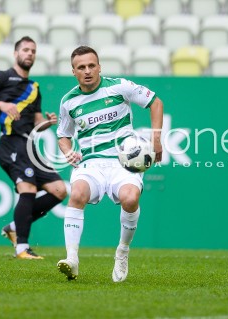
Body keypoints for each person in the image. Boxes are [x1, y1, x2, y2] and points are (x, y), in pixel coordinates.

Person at [56, 45, 163, 282]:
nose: (87, 71)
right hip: (90, 162)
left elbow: (155, 102)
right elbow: (63, 134)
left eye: (91, 65)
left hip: (123, 161)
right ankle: (72, 259)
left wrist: (156, 139)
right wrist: (68, 151)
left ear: (99, 67)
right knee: (77, 193)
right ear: (73, 71)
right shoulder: (69, 102)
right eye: (81, 67)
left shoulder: (119, 86)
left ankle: (122, 251)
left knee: (130, 198)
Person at [0, 36, 67, 260]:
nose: (30, 54)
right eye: (25, 50)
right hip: (10, 142)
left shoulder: (34, 88)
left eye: (33, 50)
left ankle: (14, 227)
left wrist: (48, 123)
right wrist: (1, 104)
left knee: (59, 190)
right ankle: (21, 247)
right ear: (16, 54)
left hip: (29, 145)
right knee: (28, 190)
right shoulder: (1, 77)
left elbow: (37, 123)